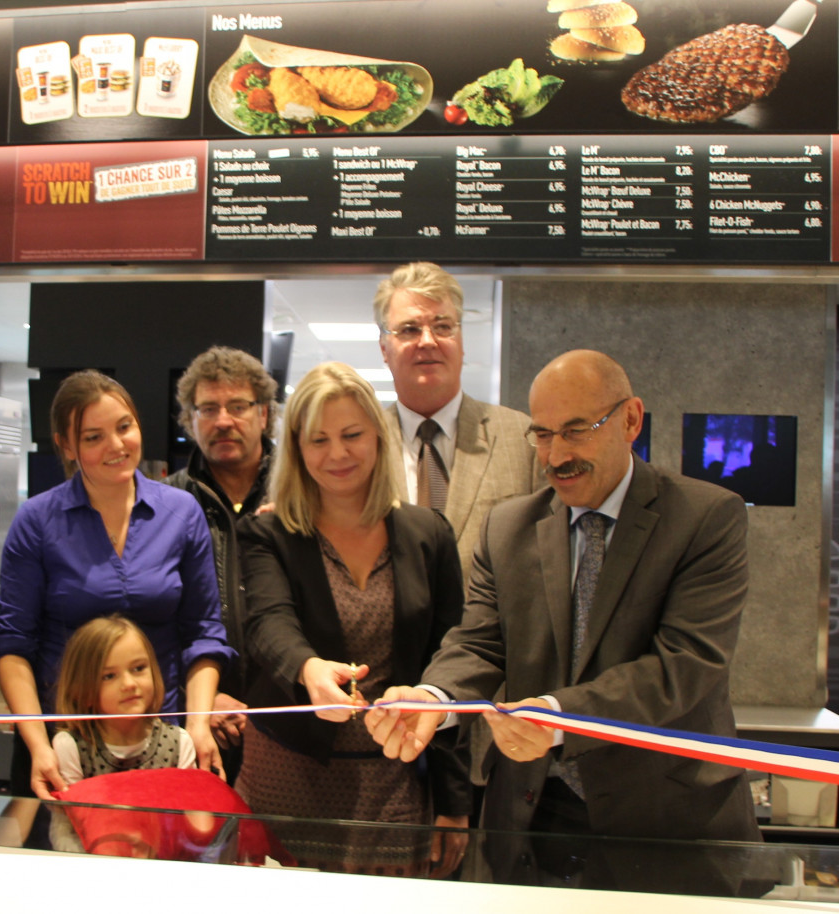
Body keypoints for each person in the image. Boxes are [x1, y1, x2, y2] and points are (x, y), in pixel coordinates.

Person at [366, 350, 761, 849]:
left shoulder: (704, 518)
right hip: (531, 819)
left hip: (665, 821)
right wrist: (433, 696)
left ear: (630, 420)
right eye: (543, 435)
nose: (555, 457)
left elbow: (682, 665)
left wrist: (558, 715)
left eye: (576, 431)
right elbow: (480, 643)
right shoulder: (510, 526)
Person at [236, 361, 471, 876]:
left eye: (351, 435)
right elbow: (269, 624)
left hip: (395, 784)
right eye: (318, 440)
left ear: (379, 437)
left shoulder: (428, 533)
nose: (337, 453)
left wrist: (455, 801)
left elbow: (451, 666)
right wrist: (308, 668)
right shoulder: (267, 533)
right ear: (297, 448)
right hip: (289, 778)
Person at [0, 370, 234, 800]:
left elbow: (204, 634)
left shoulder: (182, 512)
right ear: (66, 446)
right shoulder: (37, 520)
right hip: (63, 746)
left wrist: (196, 726)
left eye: (124, 427)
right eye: (93, 437)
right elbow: (14, 646)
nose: (117, 446)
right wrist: (37, 745)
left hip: (162, 742)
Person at [374, 261, 544, 585]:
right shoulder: (359, 445)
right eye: (409, 329)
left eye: (442, 326)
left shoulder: (523, 439)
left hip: (495, 636)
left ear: (461, 340)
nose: (427, 341)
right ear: (384, 347)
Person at [166, 346, 278, 778]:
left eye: (238, 406)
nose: (223, 421)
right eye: (208, 408)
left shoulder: (300, 496)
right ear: (190, 420)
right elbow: (148, 617)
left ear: (264, 414)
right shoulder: (163, 505)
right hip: (191, 732)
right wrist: (198, 698)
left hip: (292, 729)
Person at [52, 614, 196, 784]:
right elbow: (67, 810)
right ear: (83, 691)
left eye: (138, 668)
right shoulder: (70, 747)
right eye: (109, 676)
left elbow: (188, 806)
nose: (129, 684)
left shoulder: (179, 743)